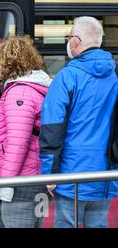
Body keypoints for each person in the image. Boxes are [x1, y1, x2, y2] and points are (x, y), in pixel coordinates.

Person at [39, 16, 118, 228]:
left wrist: (49, 174)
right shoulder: (115, 76)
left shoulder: (67, 77)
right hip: (105, 175)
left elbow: (51, 129)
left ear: (76, 40)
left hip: (70, 175)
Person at [0, 35, 52, 228]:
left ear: (8, 62)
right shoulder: (35, 88)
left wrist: (6, 186)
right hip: (35, 175)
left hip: (23, 180)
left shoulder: (20, 93)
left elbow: (17, 144)